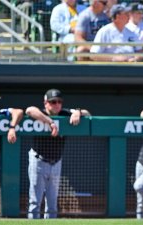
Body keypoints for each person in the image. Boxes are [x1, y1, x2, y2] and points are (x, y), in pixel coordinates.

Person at [26, 89, 90, 219]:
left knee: (52, 204)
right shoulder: (41, 113)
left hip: (56, 162)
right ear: (45, 103)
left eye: (59, 102)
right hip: (38, 161)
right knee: (35, 202)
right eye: (53, 102)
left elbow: (88, 113)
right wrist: (50, 122)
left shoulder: (65, 113)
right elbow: (29, 110)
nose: (57, 104)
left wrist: (77, 112)